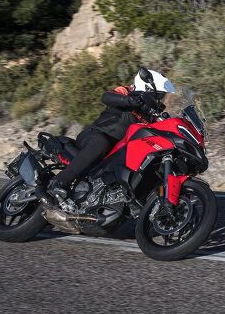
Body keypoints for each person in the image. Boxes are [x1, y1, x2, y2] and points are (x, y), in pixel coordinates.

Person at [47, 66, 175, 208]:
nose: (160, 100)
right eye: (159, 95)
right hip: (93, 136)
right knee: (102, 142)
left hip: (115, 154)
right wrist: (129, 101)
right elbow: (106, 96)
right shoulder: (127, 92)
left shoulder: (151, 116)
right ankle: (59, 182)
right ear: (148, 89)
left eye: (162, 96)